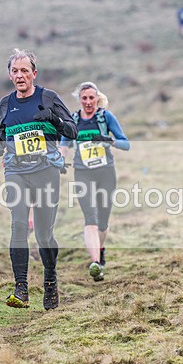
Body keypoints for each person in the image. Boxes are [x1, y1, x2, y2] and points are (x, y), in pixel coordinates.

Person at [0, 49, 77, 310]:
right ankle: (21, 289)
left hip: (45, 171)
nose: (20, 75)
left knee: (43, 234)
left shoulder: (48, 97)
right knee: (18, 225)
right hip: (16, 171)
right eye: (15, 71)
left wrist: (53, 119)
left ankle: (50, 280)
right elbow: (3, 132)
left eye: (24, 71)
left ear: (34, 73)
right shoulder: (5, 103)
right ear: (10, 75)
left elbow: (72, 130)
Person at [59, 82, 129, 282]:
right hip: (83, 173)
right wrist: (60, 159)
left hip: (106, 173)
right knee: (90, 218)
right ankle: (96, 263)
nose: (88, 102)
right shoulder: (73, 120)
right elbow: (64, 144)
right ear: (79, 100)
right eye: (84, 98)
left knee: (103, 221)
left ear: (97, 98)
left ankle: (101, 248)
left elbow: (126, 144)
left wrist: (109, 141)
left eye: (92, 98)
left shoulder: (105, 117)